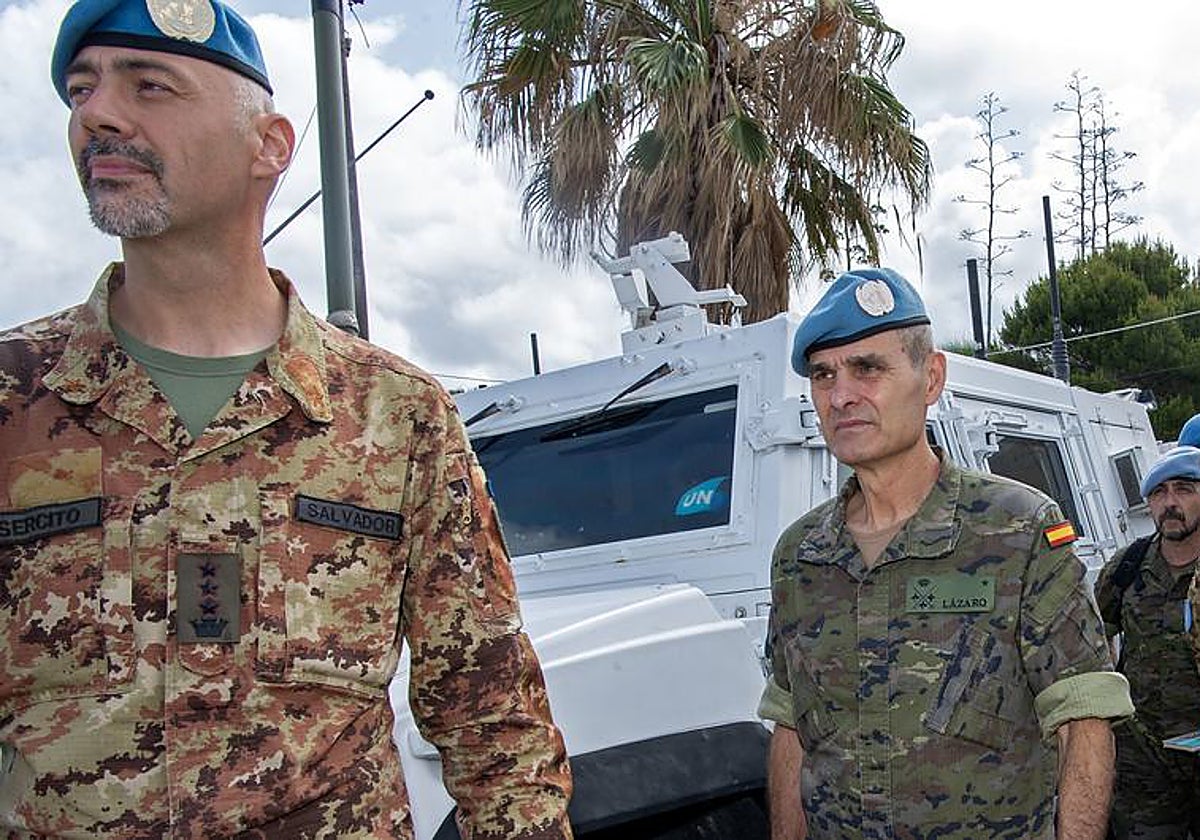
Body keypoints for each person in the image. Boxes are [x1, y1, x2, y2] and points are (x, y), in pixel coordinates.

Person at [0, 1, 572, 837]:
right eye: (81, 90)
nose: (98, 114)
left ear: (267, 146)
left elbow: (497, 730)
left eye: (149, 86)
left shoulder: (394, 414)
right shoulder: (15, 399)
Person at [759, 267, 1133, 840]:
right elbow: (791, 728)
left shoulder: (1018, 530)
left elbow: (1082, 717)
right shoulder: (799, 557)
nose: (840, 395)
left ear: (931, 377)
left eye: (868, 368)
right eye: (823, 375)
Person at [1097, 447, 1200, 839]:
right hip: (1145, 757)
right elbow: (1092, 639)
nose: (1170, 503)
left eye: (1184, 489)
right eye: (1159, 493)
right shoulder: (1127, 567)